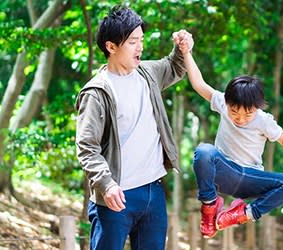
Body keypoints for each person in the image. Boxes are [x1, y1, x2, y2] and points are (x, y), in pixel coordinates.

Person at [75, 5, 192, 250]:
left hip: (153, 192)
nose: (140, 47)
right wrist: (106, 184)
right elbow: (87, 147)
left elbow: (174, 66)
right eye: (132, 42)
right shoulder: (97, 92)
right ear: (111, 46)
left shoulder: (147, 73)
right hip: (115, 196)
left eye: (141, 40)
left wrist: (182, 47)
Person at [178, 35, 283, 238]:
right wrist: (186, 52)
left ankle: (243, 213)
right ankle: (210, 205)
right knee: (204, 151)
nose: (240, 118)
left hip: (251, 178)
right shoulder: (221, 101)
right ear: (227, 103)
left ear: (257, 108)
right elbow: (198, 83)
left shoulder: (263, 120)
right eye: (234, 112)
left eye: (248, 114)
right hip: (224, 173)